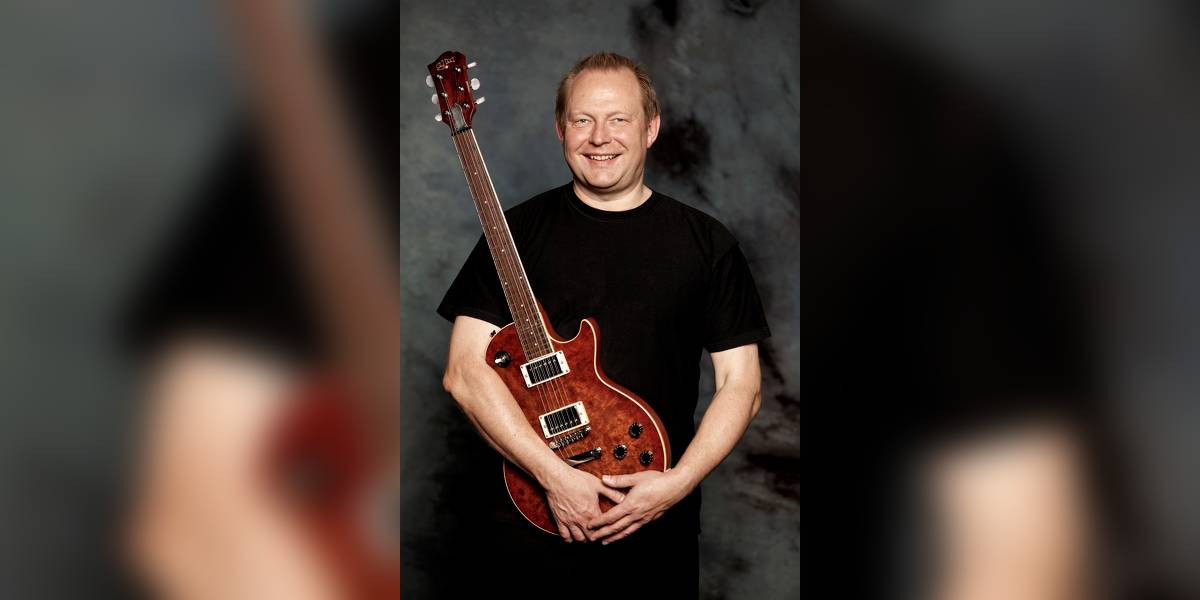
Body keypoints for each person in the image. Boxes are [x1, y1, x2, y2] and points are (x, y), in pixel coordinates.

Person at [438, 52, 770, 597]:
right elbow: (464, 373)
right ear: (560, 129)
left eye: (619, 119)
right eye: (582, 120)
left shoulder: (707, 244)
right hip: (526, 528)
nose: (599, 138)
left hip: (656, 529)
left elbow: (742, 385)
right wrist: (554, 477)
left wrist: (678, 484)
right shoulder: (513, 233)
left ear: (651, 129)